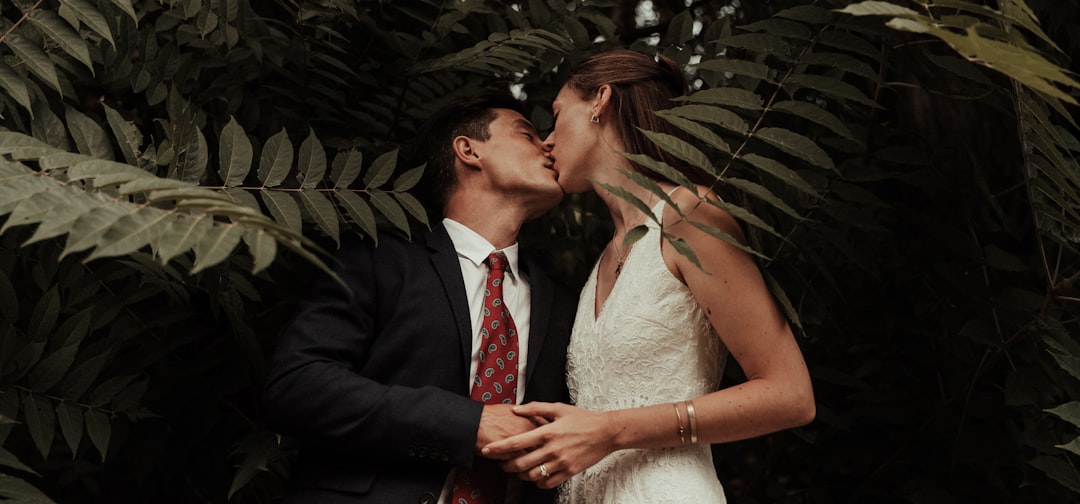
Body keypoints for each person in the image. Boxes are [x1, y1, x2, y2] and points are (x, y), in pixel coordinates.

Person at [481, 50, 816, 503]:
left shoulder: (691, 214)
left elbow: (791, 395)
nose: (547, 141)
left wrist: (609, 431)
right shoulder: (603, 258)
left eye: (556, 116)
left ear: (599, 101)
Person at [260, 92, 578, 504]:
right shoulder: (379, 258)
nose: (548, 145)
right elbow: (296, 386)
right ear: (468, 150)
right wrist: (468, 424)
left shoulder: (567, 304)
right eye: (528, 134)